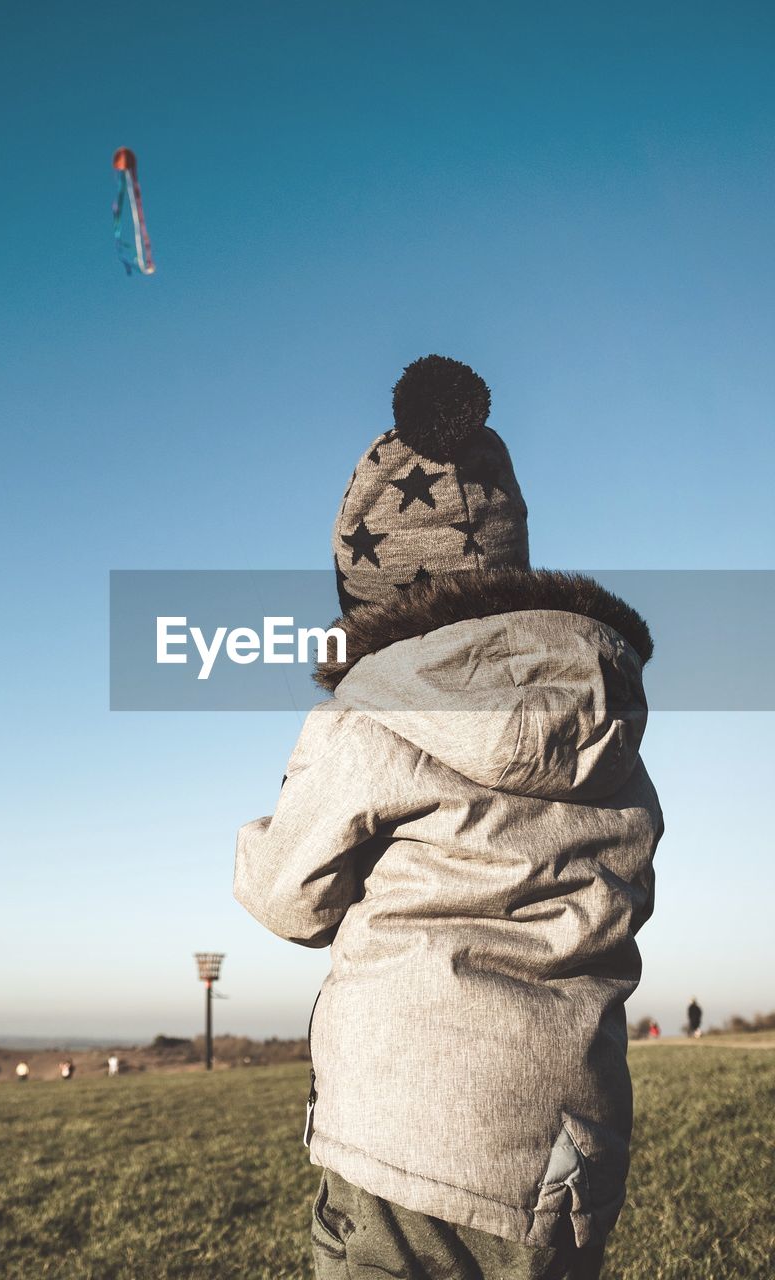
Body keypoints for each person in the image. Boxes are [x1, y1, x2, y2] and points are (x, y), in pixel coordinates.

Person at [234, 356, 663, 1280]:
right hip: (569, 1153)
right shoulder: (604, 719)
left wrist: (256, 837)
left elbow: (288, 902)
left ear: (367, 590)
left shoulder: (373, 713)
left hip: (406, 1138)